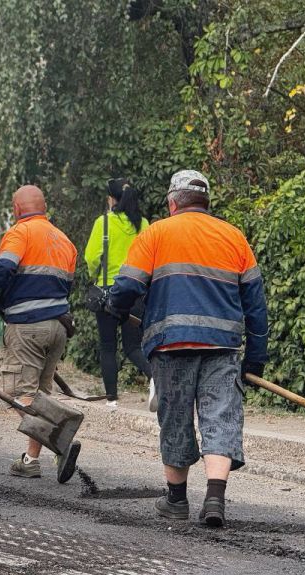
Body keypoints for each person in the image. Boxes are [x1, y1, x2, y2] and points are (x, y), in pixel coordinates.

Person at [107, 170, 269, 528]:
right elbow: (256, 305)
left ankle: (176, 500)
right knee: (220, 416)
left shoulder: (156, 233)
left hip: (171, 344)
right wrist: (255, 357)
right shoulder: (234, 237)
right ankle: (214, 499)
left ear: (171, 202)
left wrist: (116, 308)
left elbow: (128, 286)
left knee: (176, 417)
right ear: (206, 202)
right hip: (222, 347)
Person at [0, 185, 77, 479]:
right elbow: (65, 285)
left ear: (18, 209)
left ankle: (60, 439)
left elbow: (5, 266)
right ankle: (30, 461)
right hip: (58, 327)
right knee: (39, 395)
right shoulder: (64, 241)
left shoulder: (20, 232)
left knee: (18, 393)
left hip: (28, 327)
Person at [85, 178, 155, 410]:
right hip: (135, 293)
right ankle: (155, 377)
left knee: (108, 346)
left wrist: (96, 275)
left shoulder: (103, 222)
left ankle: (112, 399)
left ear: (111, 199)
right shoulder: (143, 224)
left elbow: (92, 257)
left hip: (107, 292)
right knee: (133, 346)